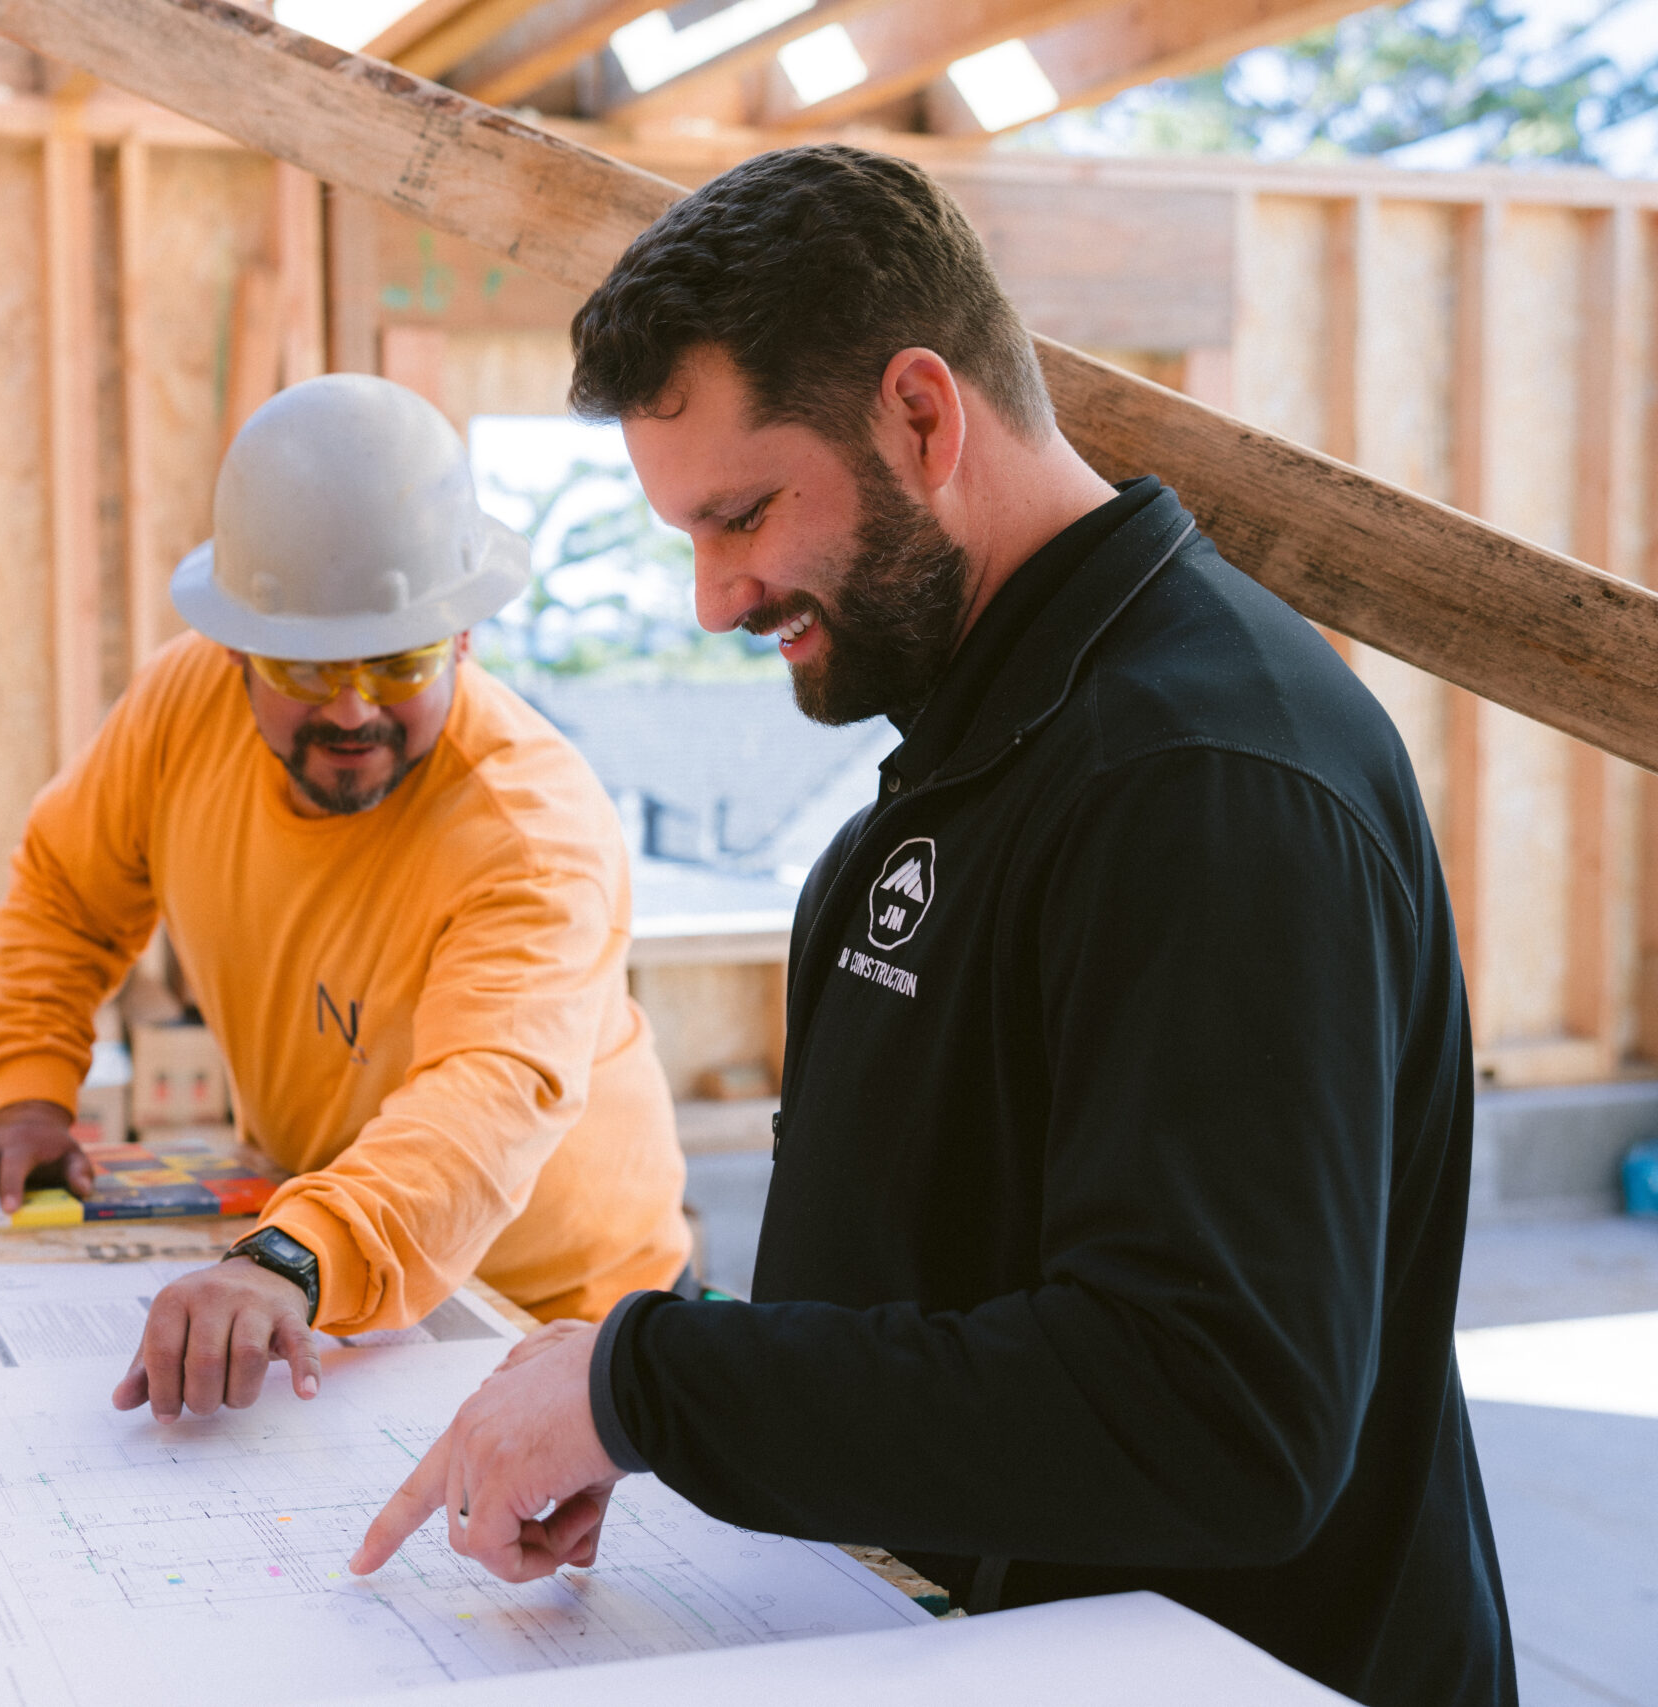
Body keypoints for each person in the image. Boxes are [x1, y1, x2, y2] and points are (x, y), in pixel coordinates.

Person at [350, 146, 1514, 1707]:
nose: (714, 594)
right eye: (689, 532)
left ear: (919, 411)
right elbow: (930, 1287)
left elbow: (1213, 1412)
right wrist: (669, 1412)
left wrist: (653, 1388)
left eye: (744, 512)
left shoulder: (1209, 785)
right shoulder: (984, 752)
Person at [0, 373, 690, 1424]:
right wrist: (34, 1094)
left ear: (462, 635)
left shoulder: (529, 833)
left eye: (398, 662)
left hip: (551, 1319)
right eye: (307, 671)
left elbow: (483, 1100)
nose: (354, 711)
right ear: (234, 647)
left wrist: (287, 1254)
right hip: (334, 1266)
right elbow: (67, 891)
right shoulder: (181, 706)